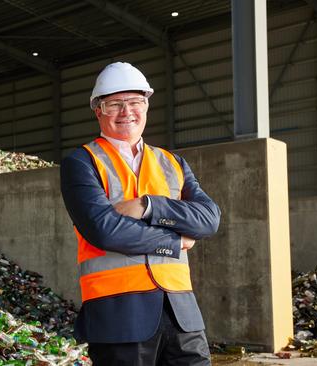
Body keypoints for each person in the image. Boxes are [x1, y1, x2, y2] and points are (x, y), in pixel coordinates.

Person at [60, 62, 221, 365]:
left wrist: (149, 205)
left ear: (146, 106)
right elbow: (104, 230)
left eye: (135, 102)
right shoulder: (82, 162)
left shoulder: (172, 162)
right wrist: (176, 242)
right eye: (114, 105)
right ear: (98, 110)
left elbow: (209, 218)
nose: (127, 112)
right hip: (118, 314)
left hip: (183, 314)